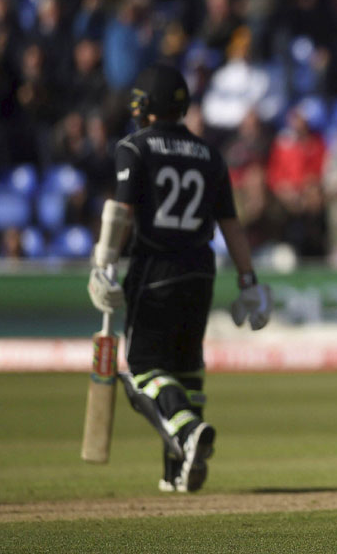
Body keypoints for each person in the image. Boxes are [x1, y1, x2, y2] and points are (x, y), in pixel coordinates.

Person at [86, 63, 272, 493]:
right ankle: (177, 471)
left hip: (155, 268)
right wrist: (249, 282)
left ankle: (188, 435)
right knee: (186, 373)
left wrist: (104, 263)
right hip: (200, 273)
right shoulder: (211, 154)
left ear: (146, 107)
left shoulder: (134, 147)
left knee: (143, 374)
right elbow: (232, 226)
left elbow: (121, 212)